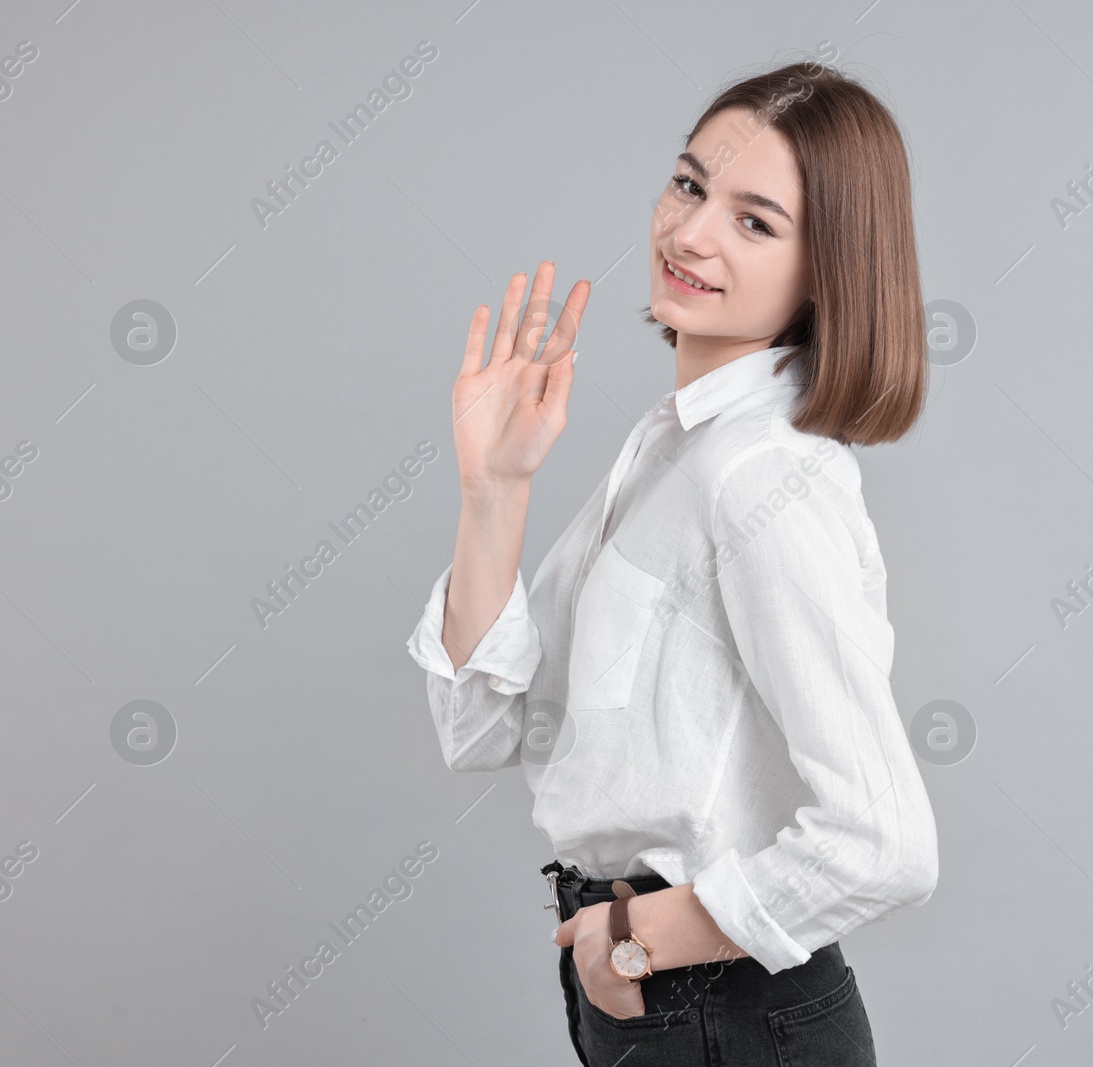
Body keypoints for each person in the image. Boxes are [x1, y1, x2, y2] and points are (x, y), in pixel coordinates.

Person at [405, 59, 937, 1066]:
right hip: (651, 1001)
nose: (689, 233)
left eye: (755, 220)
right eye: (691, 185)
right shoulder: (667, 451)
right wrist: (494, 489)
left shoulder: (759, 478)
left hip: (723, 1004)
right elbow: (481, 725)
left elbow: (883, 838)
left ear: (829, 271)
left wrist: (637, 938)